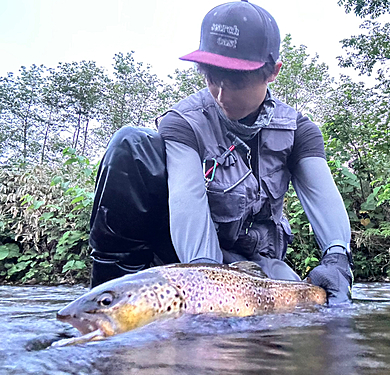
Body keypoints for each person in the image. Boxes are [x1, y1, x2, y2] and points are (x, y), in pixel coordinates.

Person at [88, 0, 353, 305]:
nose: (221, 95)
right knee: (133, 144)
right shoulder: (183, 122)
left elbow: (324, 201)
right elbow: (189, 203)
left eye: (237, 80)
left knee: (309, 304)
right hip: (185, 259)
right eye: (212, 77)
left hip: (257, 264)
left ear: (273, 72)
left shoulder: (299, 130)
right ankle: (108, 302)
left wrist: (337, 261)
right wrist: (208, 288)